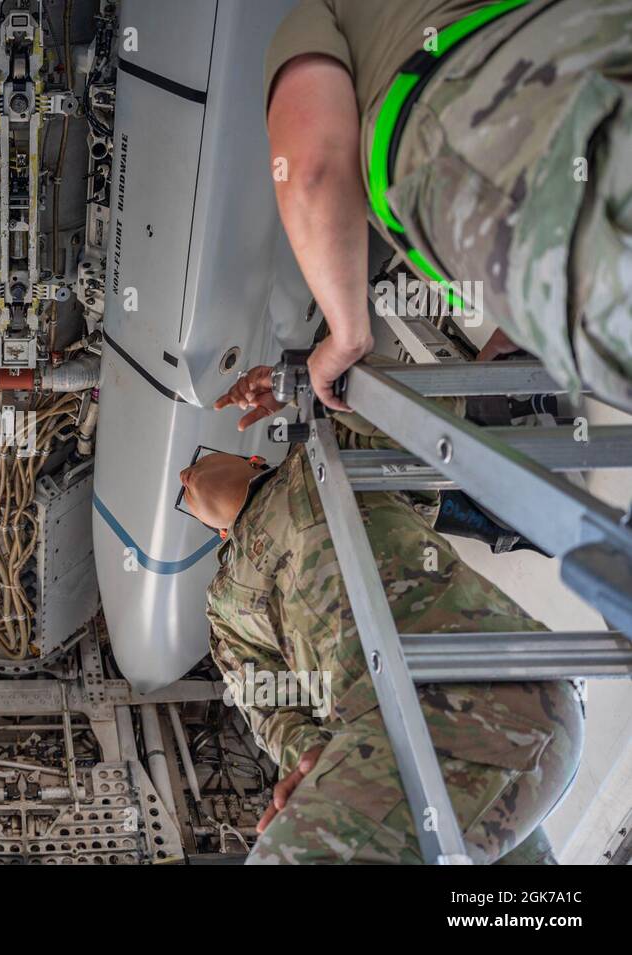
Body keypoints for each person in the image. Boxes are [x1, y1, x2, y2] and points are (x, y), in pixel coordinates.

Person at [178, 365, 583, 863]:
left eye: (194, 464)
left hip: (477, 693)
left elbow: (432, 417)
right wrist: (314, 759)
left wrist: (317, 380)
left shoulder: (326, 454)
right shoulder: (224, 613)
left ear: (255, 459)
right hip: (408, 747)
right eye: (185, 497)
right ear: (217, 534)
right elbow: (272, 707)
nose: (184, 477)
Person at [264, 0, 632, 414]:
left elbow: (312, 167)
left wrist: (347, 335)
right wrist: (513, 319)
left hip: (503, 133)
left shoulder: (318, 13)